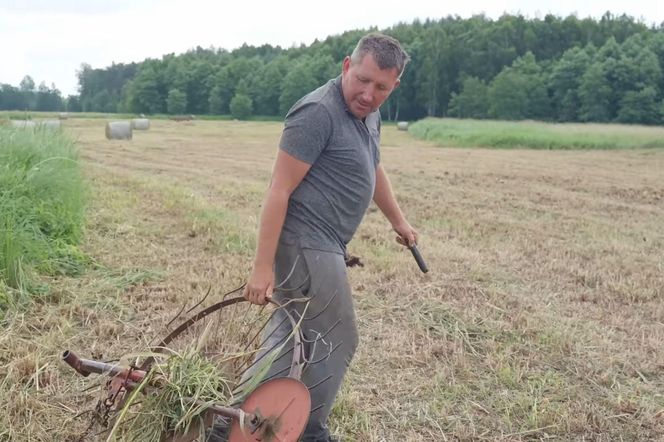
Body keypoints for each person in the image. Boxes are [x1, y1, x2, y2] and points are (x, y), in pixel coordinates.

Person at [211, 32, 418, 442]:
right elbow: (278, 189)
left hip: (326, 243)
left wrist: (398, 220)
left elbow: (372, 168)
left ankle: (233, 425)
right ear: (346, 66)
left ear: (394, 85)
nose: (368, 93)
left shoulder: (367, 115)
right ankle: (307, 431)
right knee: (336, 337)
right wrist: (261, 267)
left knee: (289, 340)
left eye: (380, 87)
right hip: (308, 242)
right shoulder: (317, 113)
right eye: (362, 79)